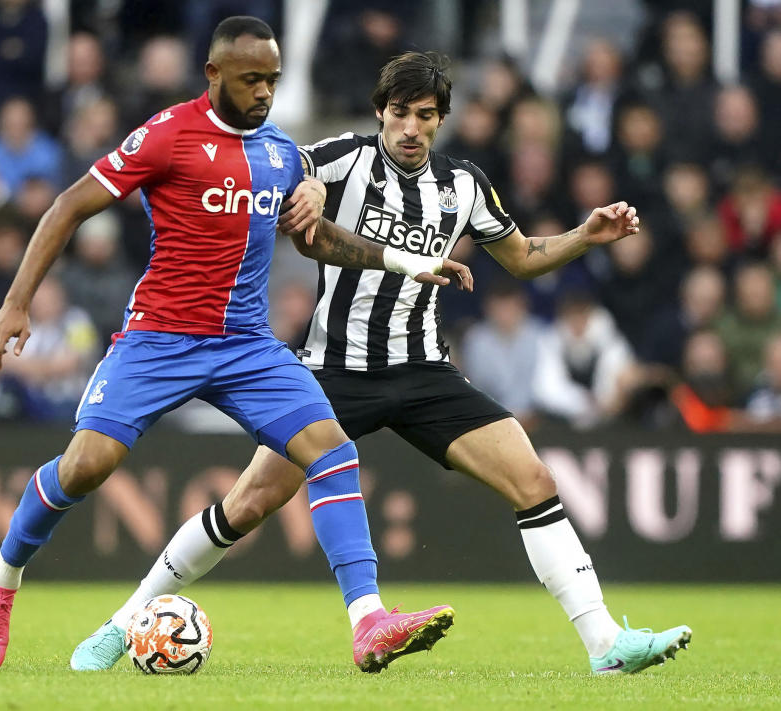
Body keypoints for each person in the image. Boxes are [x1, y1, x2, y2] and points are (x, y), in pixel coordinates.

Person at [77, 51, 692, 676]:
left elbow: (524, 257)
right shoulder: (342, 156)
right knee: (246, 506)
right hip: (332, 372)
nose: (411, 127)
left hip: (425, 372)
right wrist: (310, 192)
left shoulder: (465, 184)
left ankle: (605, 646)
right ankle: (121, 624)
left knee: (535, 483)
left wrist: (584, 236)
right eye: (399, 113)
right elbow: (294, 175)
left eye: (425, 116)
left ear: (441, 120)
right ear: (381, 113)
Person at [0, 17, 471, 672]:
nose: (264, 92)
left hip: (245, 344)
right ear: (213, 74)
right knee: (86, 465)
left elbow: (313, 239)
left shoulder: (281, 153)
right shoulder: (167, 134)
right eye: (251, 79)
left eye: (272, 80)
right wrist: (15, 301)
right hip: (159, 337)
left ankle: (368, 619)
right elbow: (67, 205)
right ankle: (1, 578)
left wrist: (401, 261)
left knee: (332, 451)